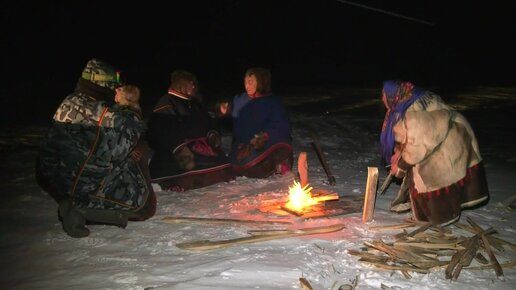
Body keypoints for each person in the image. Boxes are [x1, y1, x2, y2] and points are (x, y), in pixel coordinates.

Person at [35, 59, 156, 238]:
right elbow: (128, 137)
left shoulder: (72, 100)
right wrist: (132, 109)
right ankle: (79, 208)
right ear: (103, 83)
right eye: (114, 85)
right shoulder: (99, 111)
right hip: (76, 183)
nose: (117, 88)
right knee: (146, 206)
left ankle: (75, 202)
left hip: (52, 177)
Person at [379, 80, 489, 226]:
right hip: (449, 136)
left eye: (384, 95)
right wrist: (397, 153)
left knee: (429, 176)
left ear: (393, 96)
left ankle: (438, 217)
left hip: (446, 144)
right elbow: (408, 138)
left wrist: (400, 165)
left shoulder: (412, 112)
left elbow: (416, 146)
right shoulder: (410, 98)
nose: (382, 99)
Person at [146, 70, 233, 191]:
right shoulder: (167, 102)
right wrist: (179, 147)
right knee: (191, 168)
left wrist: (213, 132)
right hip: (177, 149)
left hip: (201, 146)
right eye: (189, 83)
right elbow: (159, 131)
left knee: (221, 163)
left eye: (193, 84)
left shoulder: (195, 104)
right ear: (180, 84)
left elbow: (208, 123)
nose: (192, 86)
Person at [219, 67, 293, 178]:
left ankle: (278, 162)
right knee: (239, 163)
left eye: (250, 82)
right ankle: (264, 166)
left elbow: (281, 125)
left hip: (266, 141)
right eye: (245, 82)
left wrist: (264, 136)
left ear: (261, 81)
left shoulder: (272, 102)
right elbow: (234, 110)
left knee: (270, 154)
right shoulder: (240, 99)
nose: (247, 86)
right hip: (244, 143)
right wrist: (226, 110)